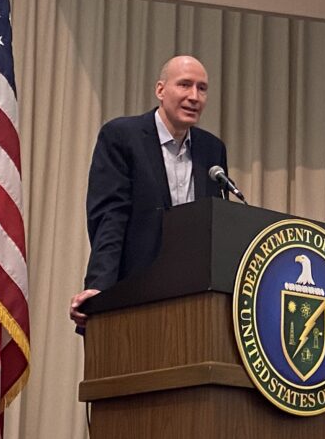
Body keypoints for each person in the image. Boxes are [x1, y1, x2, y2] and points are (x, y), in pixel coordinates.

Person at [69, 55, 228, 327]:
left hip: (194, 303)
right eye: (185, 85)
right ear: (160, 90)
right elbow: (110, 217)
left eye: (202, 88)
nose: (194, 96)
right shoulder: (122, 136)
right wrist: (100, 288)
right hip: (134, 292)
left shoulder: (212, 149)